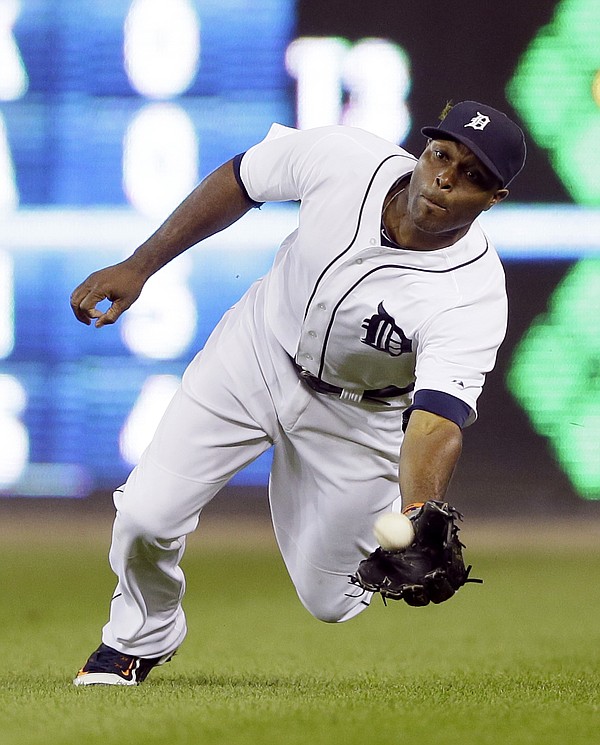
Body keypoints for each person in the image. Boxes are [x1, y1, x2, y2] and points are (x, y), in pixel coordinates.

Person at [70, 100, 526, 685]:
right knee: (144, 514)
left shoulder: (475, 294)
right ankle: (139, 638)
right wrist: (141, 265)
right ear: (423, 149)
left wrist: (417, 514)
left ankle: (376, 508)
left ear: (493, 200)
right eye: (442, 155)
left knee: (332, 598)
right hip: (257, 353)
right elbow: (241, 179)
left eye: (472, 177)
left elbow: (435, 420)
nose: (445, 179)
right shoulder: (345, 158)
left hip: (358, 420)